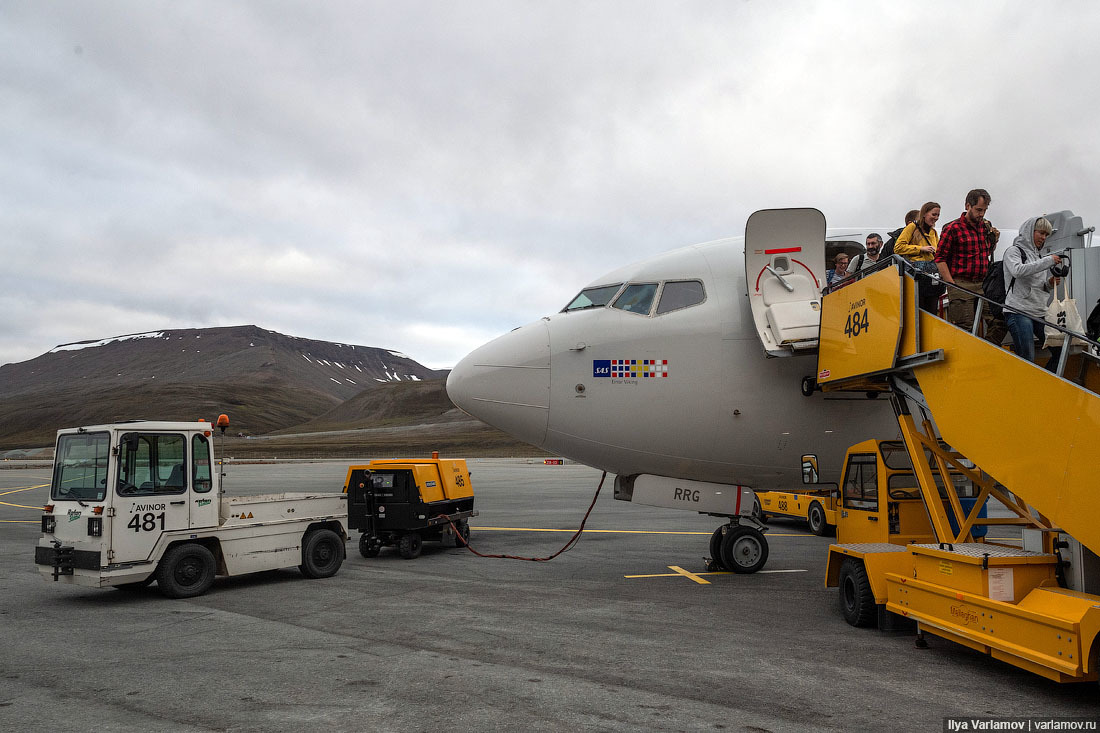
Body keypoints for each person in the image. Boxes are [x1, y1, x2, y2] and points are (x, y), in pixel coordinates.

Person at [934, 188, 1005, 344]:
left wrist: (995, 240)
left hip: (983, 282)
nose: (981, 214)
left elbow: (986, 252)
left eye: (984, 210)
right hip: (961, 282)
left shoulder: (985, 227)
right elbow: (939, 258)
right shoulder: (953, 228)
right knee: (965, 327)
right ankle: (971, 356)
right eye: (978, 210)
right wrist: (951, 284)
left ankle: (986, 349)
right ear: (967, 206)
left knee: (1000, 320)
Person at [1003, 216, 1063, 367]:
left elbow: (1036, 284)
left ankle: (1045, 385)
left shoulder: (1039, 256)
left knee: (1060, 352)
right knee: (1027, 357)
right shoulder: (1013, 251)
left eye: (1046, 235)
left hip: (1039, 312)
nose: (1043, 238)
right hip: (1018, 311)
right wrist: (1048, 260)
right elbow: (1017, 271)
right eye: (1041, 233)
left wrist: (1048, 284)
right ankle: (1028, 389)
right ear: (1030, 231)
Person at [894, 202, 942, 312]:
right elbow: (898, 248)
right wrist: (920, 248)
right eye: (933, 214)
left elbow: (938, 252)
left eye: (938, 215)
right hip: (916, 273)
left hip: (931, 274)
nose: (936, 218)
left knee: (932, 309)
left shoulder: (934, 232)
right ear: (924, 214)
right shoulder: (912, 227)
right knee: (919, 308)